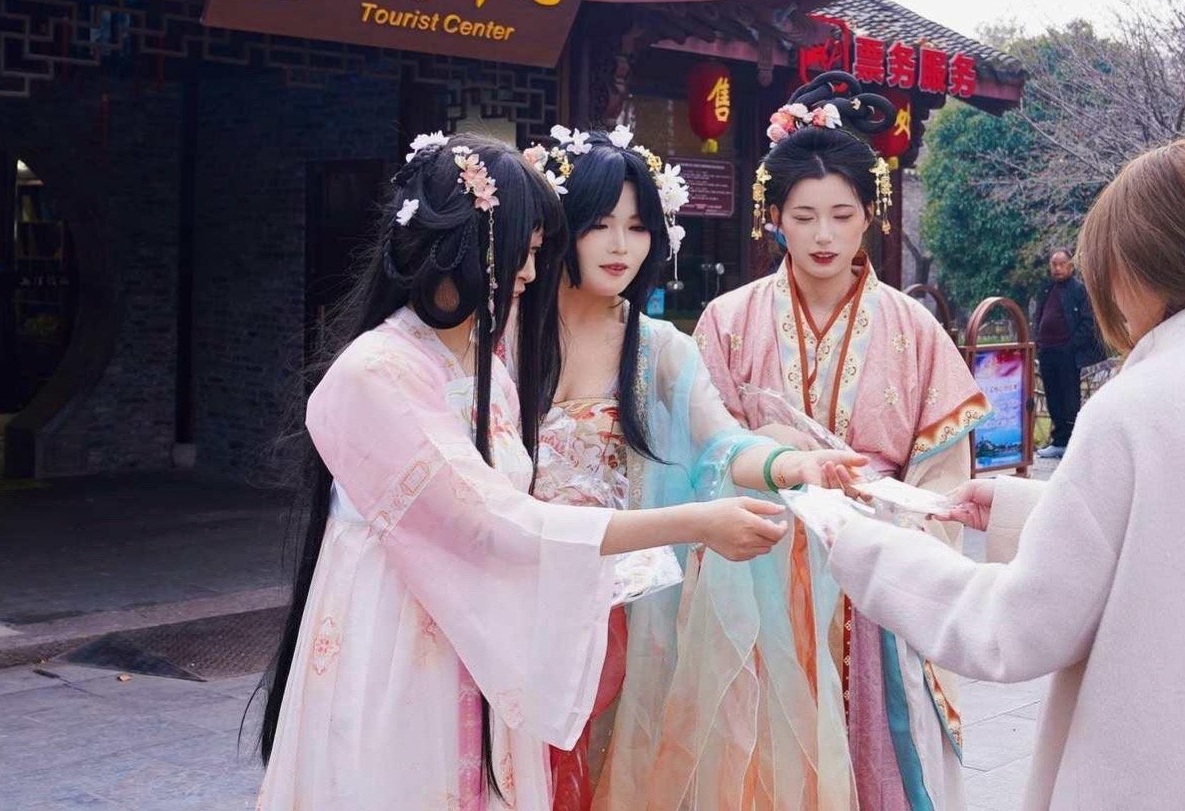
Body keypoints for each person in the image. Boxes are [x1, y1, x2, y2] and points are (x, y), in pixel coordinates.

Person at [256, 133, 790, 811]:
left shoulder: (480, 363)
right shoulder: (377, 371)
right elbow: (495, 521)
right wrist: (693, 524)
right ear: (467, 247)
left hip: (478, 631)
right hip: (397, 639)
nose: (535, 273)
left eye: (539, 251)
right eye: (525, 251)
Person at [822, 138, 1185, 811]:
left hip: (1168, 776)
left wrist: (866, 546)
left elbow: (1015, 630)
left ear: (1136, 267)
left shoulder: (1137, 406)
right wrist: (1027, 510)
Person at [510, 125, 864, 809]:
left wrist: (793, 463)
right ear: (558, 227)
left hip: (611, 601)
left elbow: (722, 443)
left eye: (638, 227)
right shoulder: (501, 332)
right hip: (508, 583)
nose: (620, 246)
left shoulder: (657, 348)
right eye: (599, 225)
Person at [694, 72, 992, 811]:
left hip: (877, 567)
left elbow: (942, 472)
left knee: (876, 756)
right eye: (803, 216)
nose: (823, 235)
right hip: (760, 562)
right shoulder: (727, 320)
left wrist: (902, 539)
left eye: (841, 215)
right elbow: (702, 452)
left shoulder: (914, 328)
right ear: (774, 219)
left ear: (870, 217)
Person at [1030, 248, 1102, 458]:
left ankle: (1072, 441)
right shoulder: (1046, 288)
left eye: (1062, 264)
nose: (1058, 268)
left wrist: (1070, 346)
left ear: (1071, 265)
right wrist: (1038, 341)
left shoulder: (1078, 290)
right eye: (1054, 264)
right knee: (1053, 396)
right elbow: (1039, 316)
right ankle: (1059, 441)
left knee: (1069, 398)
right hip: (1047, 351)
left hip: (1067, 353)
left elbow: (1089, 322)